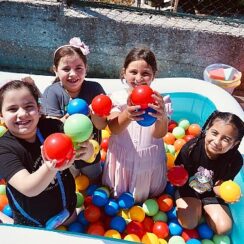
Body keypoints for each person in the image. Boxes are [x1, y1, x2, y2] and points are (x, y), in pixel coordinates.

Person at [0, 80, 94, 227]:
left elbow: (86, 154)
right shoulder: (4, 149)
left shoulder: (52, 127)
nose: (22, 114)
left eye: (29, 107)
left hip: (66, 210)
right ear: (1, 115)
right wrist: (50, 168)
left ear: (39, 108)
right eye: (12, 109)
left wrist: (88, 151)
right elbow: (28, 188)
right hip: (31, 221)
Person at [102, 47, 169, 203]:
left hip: (149, 160)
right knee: (117, 195)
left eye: (145, 73)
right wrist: (127, 114)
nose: (139, 78)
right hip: (122, 158)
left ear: (153, 76)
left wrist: (162, 116)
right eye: (133, 72)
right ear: (124, 72)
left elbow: (159, 134)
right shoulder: (116, 98)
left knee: (148, 198)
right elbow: (113, 128)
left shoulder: (160, 101)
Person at [41, 37, 107, 182]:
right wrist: (66, 119)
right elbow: (50, 129)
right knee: (69, 187)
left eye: (79, 68)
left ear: (86, 69)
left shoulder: (95, 89)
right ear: (55, 70)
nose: (73, 74)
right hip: (64, 155)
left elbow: (102, 125)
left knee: (94, 184)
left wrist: (94, 114)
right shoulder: (52, 92)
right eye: (66, 69)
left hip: (91, 151)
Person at [174, 111, 244, 234]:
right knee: (188, 223)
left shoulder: (235, 161)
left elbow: (218, 186)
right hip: (188, 189)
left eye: (226, 139)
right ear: (207, 130)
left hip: (211, 194)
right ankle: (197, 208)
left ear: (235, 144)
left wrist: (226, 193)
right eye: (214, 133)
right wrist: (175, 177)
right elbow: (179, 175)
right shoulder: (191, 149)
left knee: (224, 228)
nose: (217, 141)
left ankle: (205, 210)